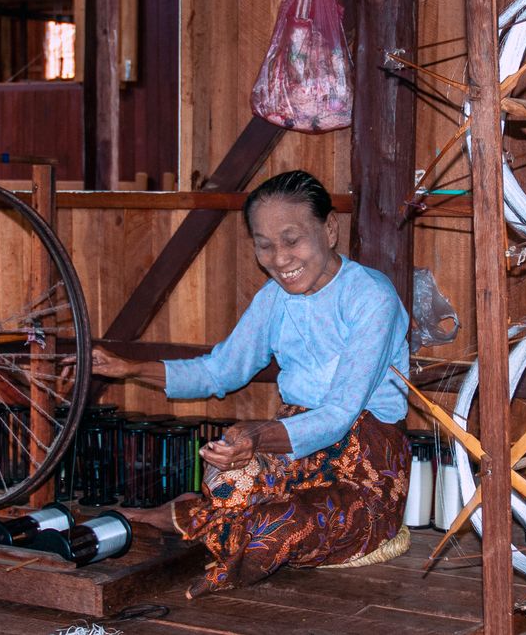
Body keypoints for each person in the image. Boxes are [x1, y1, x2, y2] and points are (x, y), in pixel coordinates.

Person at [92, 170, 410, 598]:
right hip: (299, 450)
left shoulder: (371, 297)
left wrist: (257, 437)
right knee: (226, 481)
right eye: (264, 245)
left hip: (366, 464)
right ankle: (202, 519)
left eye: (291, 239)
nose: (279, 260)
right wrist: (131, 368)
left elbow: (337, 416)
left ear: (330, 229)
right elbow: (220, 370)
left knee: (276, 526)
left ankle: (209, 533)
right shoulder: (274, 299)